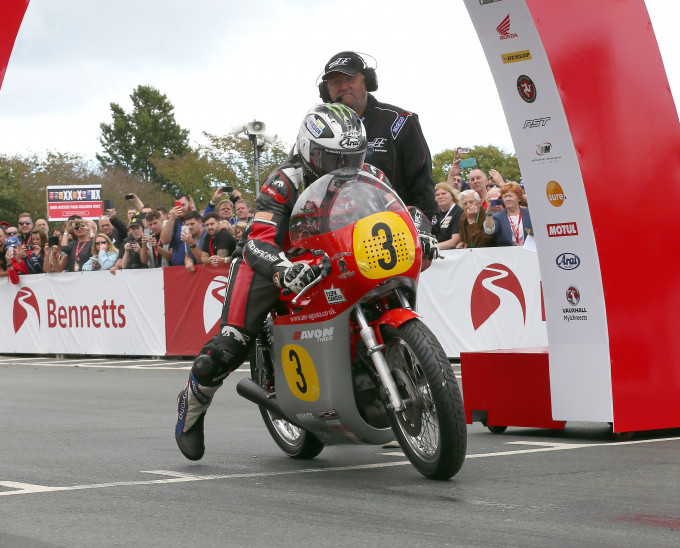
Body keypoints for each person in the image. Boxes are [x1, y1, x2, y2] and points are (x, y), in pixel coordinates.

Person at [175, 103, 373, 461]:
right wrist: (282, 269)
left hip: (328, 254)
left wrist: (420, 230)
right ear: (309, 151)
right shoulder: (284, 180)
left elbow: (395, 208)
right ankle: (192, 408)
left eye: (353, 158)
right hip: (268, 260)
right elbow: (258, 240)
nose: (346, 168)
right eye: (334, 159)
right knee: (228, 347)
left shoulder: (367, 174)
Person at [319, 51, 438, 221]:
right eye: (335, 82)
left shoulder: (400, 121)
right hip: (338, 234)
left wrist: (425, 227)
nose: (343, 86)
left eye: (349, 79)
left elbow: (423, 187)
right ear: (326, 90)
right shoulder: (318, 130)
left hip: (395, 233)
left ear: (367, 81)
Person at [483, 182, 533, 246]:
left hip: (529, 252)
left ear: (519, 198)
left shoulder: (529, 214)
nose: (507, 199)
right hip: (507, 254)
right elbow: (489, 231)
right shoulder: (498, 216)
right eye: (505, 197)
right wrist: (489, 211)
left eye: (510, 196)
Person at [159, 194, 195, 266]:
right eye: (178, 205)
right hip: (179, 268)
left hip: (197, 267)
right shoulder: (174, 222)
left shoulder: (196, 219)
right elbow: (163, 241)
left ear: (190, 204)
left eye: (183, 205)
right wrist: (171, 219)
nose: (180, 208)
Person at [432, 183, 463, 250]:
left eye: (444, 193)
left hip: (450, 254)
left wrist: (432, 247)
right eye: (437, 195)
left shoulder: (458, 212)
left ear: (452, 196)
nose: (440, 196)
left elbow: (455, 242)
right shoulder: (435, 214)